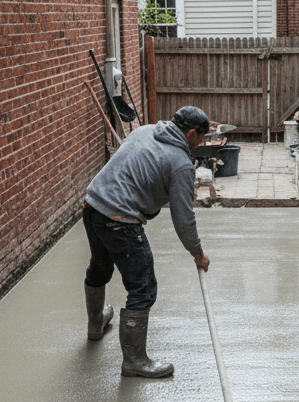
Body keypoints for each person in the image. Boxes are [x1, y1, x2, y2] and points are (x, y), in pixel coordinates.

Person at [82, 105, 211, 378]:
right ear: (191, 133)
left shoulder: (144, 131)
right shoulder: (181, 164)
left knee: (100, 267)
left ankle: (95, 324)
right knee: (143, 287)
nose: (201, 143)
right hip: (119, 220)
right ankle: (134, 361)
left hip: (92, 205)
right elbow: (183, 219)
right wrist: (198, 253)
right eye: (201, 137)